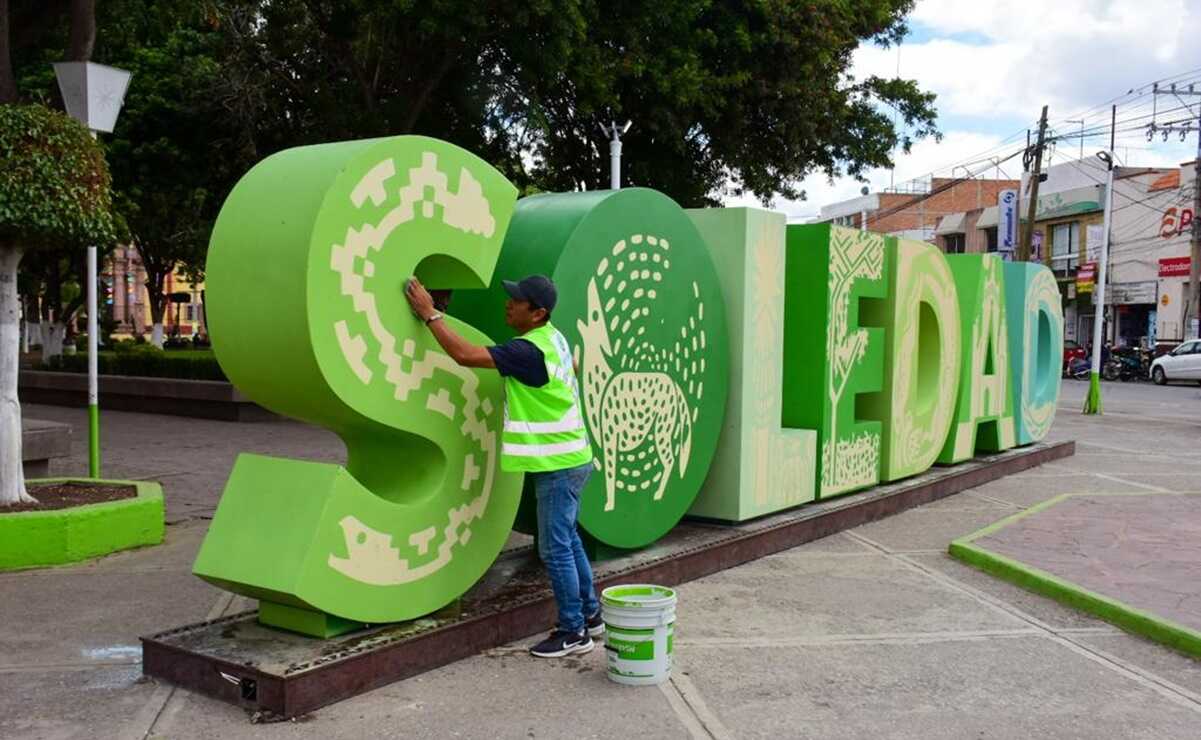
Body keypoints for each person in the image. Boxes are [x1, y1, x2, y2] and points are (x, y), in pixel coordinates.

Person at [403, 274, 602, 659]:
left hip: (558, 464)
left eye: (518, 301)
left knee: (555, 549)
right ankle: (590, 616)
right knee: (569, 540)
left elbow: (464, 356)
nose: (509, 304)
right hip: (571, 457)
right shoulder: (553, 338)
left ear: (538, 312)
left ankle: (574, 631)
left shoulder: (527, 351)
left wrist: (430, 315)